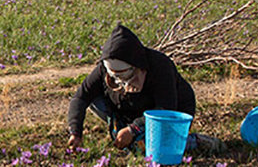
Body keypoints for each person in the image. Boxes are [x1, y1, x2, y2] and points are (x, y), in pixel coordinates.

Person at [66, 23, 222, 153]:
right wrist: (75, 132)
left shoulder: (160, 66)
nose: (117, 79)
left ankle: (192, 141)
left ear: (134, 66)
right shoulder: (104, 69)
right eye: (113, 75)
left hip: (168, 115)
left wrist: (133, 129)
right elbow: (81, 97)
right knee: (94, 99)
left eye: (122, 75)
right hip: (130, 111)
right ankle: (123, 131)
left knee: (148, 148)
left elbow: (166, 108)